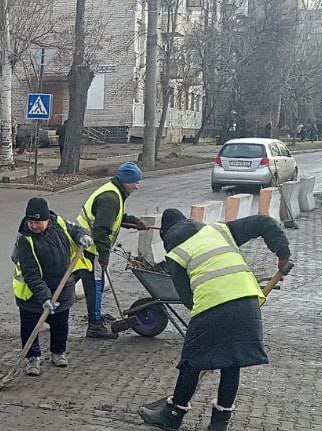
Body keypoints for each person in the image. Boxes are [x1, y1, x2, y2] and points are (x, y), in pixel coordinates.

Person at [139, 209, 293, 431]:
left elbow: (187, 298)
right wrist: (282, 253)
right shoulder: (220, 230)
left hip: (212, 306)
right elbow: (264, 222)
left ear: (166, 236)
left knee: (191, 362)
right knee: (233, 362)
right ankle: (220, 423)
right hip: (247, 301)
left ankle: (173, 414)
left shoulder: (176, 254)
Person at [12, 197, 93, 376]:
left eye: (38, 222)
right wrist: (45, 297)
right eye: (31, 222)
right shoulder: (25, 240)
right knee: (30, 325)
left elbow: (75, 230)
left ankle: (58, 352)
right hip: (32, 293)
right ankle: (33, 358)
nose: (34, 225)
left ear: (47, 219)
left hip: (62, 286)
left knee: (60, 323)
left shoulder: (59, 223)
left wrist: (83, 237)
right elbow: (31, 274)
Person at [76, 162, 148, 339]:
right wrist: (104, 255)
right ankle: (94, 326)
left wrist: (133, 221)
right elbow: (101, 228)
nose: (138, 186)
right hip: (88, 247)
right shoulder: (111, 197)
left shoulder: (115, 193)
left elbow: (113, 218)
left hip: (89, 245)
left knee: (78, 280)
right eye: (135, 182)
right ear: (126, 181)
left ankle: (50, 311)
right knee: (94, 285)